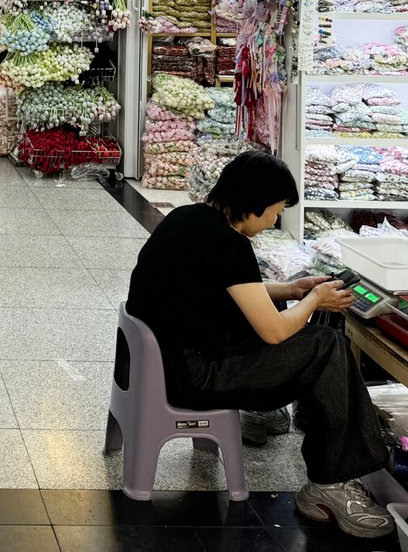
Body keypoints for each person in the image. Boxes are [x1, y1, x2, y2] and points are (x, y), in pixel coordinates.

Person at [126, 152, 393, 539]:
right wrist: (314, 301)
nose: (273, 222)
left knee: (298, 315)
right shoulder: (227, 244)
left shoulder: (190, 219)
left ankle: (313, 430)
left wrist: (294, 289)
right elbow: (273, 333)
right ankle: (331, 481)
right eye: (275, 211)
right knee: (328, 346)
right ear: (254, 202)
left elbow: (223, 289)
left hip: (172, 360)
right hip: (196, 375)